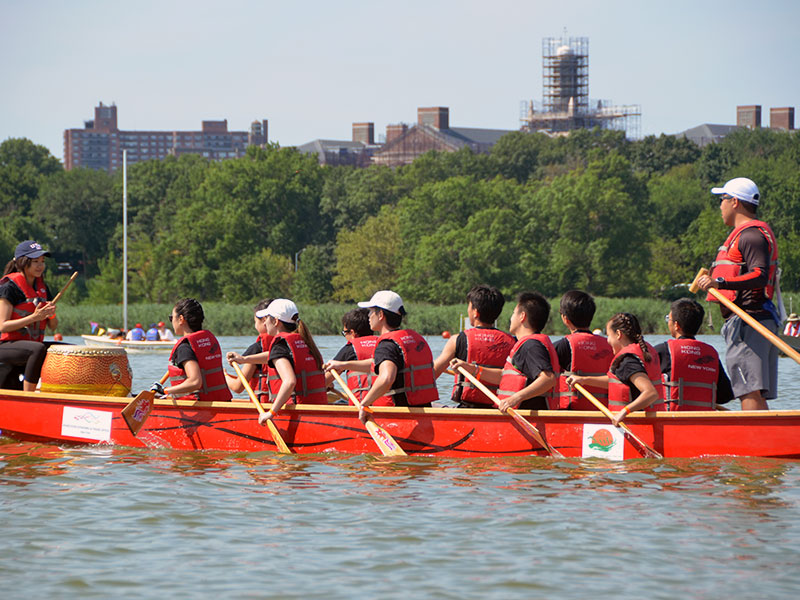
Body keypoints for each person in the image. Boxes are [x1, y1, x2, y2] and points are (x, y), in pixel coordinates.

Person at [696, 177, 780, 411]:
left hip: (749, 321)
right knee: (751, 390)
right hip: (749, 322)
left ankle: (755, 446)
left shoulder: (750, 236)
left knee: (748, 389)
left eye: (722, 200)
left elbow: (760, 275)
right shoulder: (746, 234)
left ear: (734, 202)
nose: (720, 206)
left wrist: (719, 282)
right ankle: (764, 443)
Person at [326, 290, 437, 422]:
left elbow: (386, 377)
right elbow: (380, 363)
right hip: (422, 413)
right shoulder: (410, 338)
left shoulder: (387, 344)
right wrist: (343, 364)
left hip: (397, 417)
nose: (369, 316)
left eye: (371, 311)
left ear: (381, 315)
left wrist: (365, 404)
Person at [453, 291, 560, 413]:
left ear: (522, 316)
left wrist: (514, 399)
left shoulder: (531, 346)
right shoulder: (527, 344)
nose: (511, 318)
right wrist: (472, 369)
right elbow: (504, 377)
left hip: (527, 418)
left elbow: (548, 379)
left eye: (514, 313)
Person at [567, 312, 666, 426]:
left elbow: (650, 393)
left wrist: (624, 412)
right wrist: (583, 380)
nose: (607, 341)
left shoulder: (628, 361)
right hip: (651, 425)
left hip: (635, 427)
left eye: (608, 335)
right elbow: (616, 382)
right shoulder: (642, 352)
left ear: (618, 334)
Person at [243, 299, 327, 424]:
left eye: (267, 318)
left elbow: (290, 381)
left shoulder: (280, 346)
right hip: (317, 411)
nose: (265, 323)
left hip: (298, 415)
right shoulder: (305, 341)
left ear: (275, 321)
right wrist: (244, 359)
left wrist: (271, 412)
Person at [432, 284, 514, 408]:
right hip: (500, 409)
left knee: (432, 405)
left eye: (469, 306)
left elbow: (431, 375)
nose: (468, 310)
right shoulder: (512, 342)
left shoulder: (457, 340)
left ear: (475, 312)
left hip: (467, 409)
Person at [0, 240, 58, 391]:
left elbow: (53, 327)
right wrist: (34, 317)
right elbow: (3, 325)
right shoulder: (8, 288)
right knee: (37, 349)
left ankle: (62, 394)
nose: (40, 266)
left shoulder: (43, 288)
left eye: (42, 261)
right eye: (35, 262)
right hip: (5, 346)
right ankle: (28, 397)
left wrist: (50, 314)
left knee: (65, 352)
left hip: (30, 345)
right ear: (22, 263)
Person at [656, 298, 733, 410]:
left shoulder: (663, 350)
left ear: (676, 325)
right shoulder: (711, 353)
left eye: (668, 319)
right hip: (703, 421)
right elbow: (725, 396)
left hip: (671, 421)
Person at [153, 298, 232, 402]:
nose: (171, 321)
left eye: (171, 318)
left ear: (181, 319)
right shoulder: (207, 340)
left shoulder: (184, 347)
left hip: (200, 408)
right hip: (221, 402)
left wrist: (166, 391)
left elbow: (195, 382)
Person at [552, 290, 613, 410]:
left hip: (572, 413)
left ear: (565, 319)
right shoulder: (609, 345)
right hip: (603, 412)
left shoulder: (562, 346)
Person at [324, 308, 379, 404]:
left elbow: (322, 382)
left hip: (361, 405)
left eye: (344, 333)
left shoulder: (349, 349)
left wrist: (327, 384)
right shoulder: (384, 345)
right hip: (384, 403)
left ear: (352, 333)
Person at [225, 298, 273, 398]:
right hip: (289, 404)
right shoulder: (288, 344)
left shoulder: (256, 349)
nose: (255, 325)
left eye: (255, 321)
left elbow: (238, 387)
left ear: (264, 321)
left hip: (266, 409)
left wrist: (224, 376)